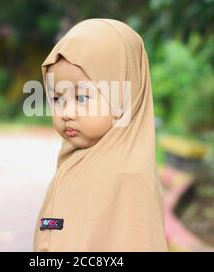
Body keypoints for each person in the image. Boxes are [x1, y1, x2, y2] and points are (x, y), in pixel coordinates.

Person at [33, 18, 168, 252]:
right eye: (57, 98)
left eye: (82, 98)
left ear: (126, 97)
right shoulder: (74, 161)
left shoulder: (127, 177)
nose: (66, 112)